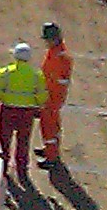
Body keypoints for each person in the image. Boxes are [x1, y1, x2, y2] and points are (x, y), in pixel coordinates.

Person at [0, 42, 47, 187]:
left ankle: (2, 165)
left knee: (4, 139)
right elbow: (41, 94)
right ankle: (22, 168)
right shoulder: (36, 75)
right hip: (26, 113)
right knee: (23, 141)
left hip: (8, 110)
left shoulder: (6, 73)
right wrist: (39, 108)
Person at [40, 21, 74, 168]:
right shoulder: (55, 52)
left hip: (51, 98)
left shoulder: (60, 57)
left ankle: (52, 157)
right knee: (50, 125)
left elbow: (58, 82)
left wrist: (46, 97)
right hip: (50, 96)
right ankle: (49, 150)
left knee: (49, 127)